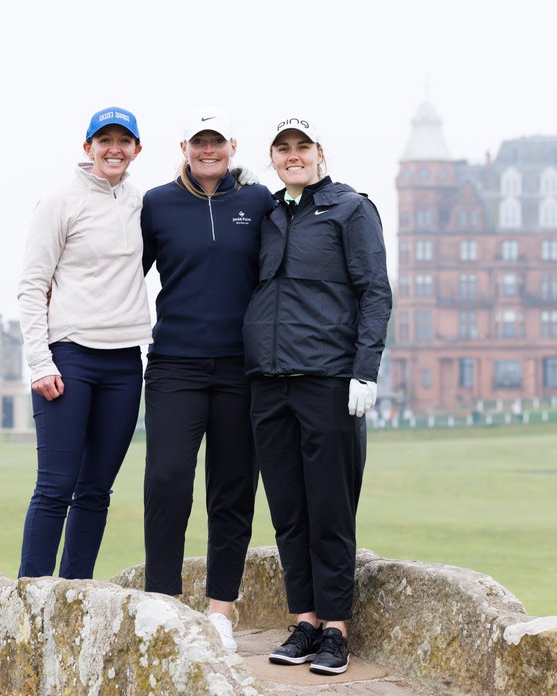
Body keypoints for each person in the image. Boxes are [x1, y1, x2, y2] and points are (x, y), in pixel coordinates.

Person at [242, 117, 392, 675]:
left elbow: (375, 290)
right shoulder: (268, 212)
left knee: (330, 507)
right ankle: (304, 620)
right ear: (273, 159)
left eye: (302, 147)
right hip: (269, 382)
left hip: (328, 379)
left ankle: (336, 629)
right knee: (287, 509)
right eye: (282, 149)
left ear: (320, 153)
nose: (293, 156)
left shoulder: (351, 209)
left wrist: (365, 371)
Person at [140, 107, 275, 651]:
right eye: (199, 143)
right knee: (168, 479)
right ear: (185, 147)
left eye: (217, 142)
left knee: (233, 488)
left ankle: (221, 610)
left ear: (232, 146)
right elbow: (125, 272)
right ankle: (163, 602)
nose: (208, 150)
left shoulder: (257, 202)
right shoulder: (158, 203)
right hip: (175, 363)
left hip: (242, 369)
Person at [16, 106, 153, 580]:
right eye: (104, 139)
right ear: (88, 147)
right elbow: (33, 284)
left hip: (123, 363)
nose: (114, 148)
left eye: (124, 140)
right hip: (69, 357)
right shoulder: (60, 201)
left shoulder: (140, 203)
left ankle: (76, 597)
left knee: (96, 491)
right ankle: (31, 600)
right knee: (55, 486)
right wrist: (39, 361)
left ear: (137, 149)